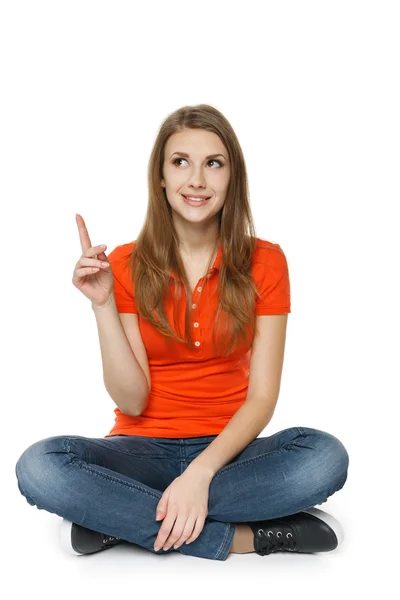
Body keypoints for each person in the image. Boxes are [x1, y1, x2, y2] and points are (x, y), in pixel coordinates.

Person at [15, 104, 349, 561]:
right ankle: (244, 539)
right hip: (141, 453)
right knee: (41, 467)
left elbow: (262, 398)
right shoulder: (126, 265)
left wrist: (200, 474)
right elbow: (132, 400)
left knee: (323, 457)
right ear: (161, 177)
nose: (196, 180)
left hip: (231, 453)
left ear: (232, 177)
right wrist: (103, 304)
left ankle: (123, 521)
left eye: (213, 163)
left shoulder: (266, 262)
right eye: (181, 162)